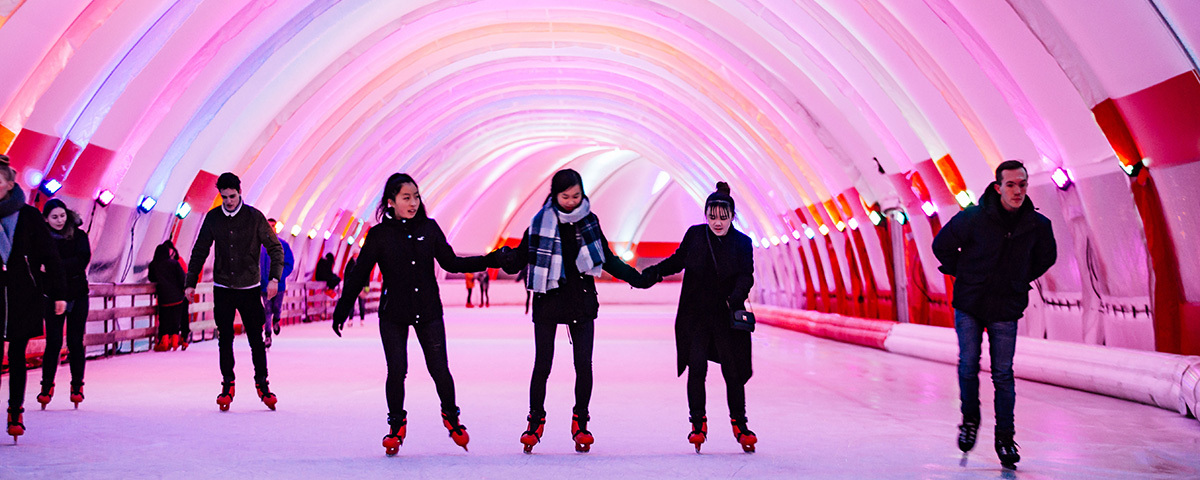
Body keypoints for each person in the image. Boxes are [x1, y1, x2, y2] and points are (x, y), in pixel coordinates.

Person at [332, 173, 504, 456]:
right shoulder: (379, 235)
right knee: (397, 370)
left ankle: (451, 416)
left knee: (439, 369)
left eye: (416, 196)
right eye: (406, 197)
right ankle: (396, 425)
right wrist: (343, 307)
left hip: (428, 311)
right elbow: (359, 273)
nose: (413, 202)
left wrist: (491, 259)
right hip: (393, 313)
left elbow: (452, 263)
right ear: (391, 202)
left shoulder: (430, 228)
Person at [494, 168, 651, 454]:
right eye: (565, 196)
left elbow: (607, 259)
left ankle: (580, 421)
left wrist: (637, 278)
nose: (571, 201)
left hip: (581, 301)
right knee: (542, 365)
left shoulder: (589, 222)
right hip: (548, 301)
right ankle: (535, 420)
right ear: (554, 195)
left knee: (583, 366)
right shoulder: (539, 224)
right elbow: (520, 257)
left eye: (576, 195)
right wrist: (502, 257)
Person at [932, 160, 1057, 470]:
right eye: (1011, 185)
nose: (1018, 190)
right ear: (998, 187)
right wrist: (963, 273)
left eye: (1023, 184)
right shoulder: (974, 218)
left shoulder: (1037, 225)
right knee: (968, 364)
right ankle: (970, 420)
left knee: (1003, 373)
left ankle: (1005, 439)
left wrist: (1019, 279)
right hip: (971, 303)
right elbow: (941, 245)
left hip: (1005, 305)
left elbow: (1048, 256)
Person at [640, 182, 757, 453]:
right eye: (712, 216)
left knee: (733, 371)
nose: (717, 222)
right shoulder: (695, 236)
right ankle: (698, 423)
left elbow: (746, 274)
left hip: (727, 318)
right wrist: (651, 274)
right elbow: (677, 260)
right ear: (706, 215)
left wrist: (736, 296)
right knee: (697, 368)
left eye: (723, 216)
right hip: (696, 317)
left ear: (732, 216)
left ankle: (740, 424)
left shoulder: (742, 243)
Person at [185, 172, 284, 412]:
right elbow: (200, 250)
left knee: (255, 339)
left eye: (232, 196)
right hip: (223, 288)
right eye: (224, 197)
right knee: (225, 338)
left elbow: (275, 248)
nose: (228, 201)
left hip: (249, 288)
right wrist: (190, 282)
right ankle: (227, 385)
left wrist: (274, 279)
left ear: (240, 192)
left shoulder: (254, 217)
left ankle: (262, 383)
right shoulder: (213, 218)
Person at [0, 155, 67, 442]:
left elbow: (51, 257)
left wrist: (59, 293)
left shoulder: (27, 216)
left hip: (21, 294)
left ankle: (15, 411)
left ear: (10, 184)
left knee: (17, 354)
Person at [36, 198, 91, 410]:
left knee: (76, 341)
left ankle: (77, 386)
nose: (59, 220)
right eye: (54, 217)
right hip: (52, 296)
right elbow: (36, 263)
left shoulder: (78, 236)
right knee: (54, 342)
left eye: (62, 216)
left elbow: (81, 261)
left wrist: (52, 267)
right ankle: (46, 387)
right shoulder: (42, 240)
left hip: (77, 295)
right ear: (46, 219)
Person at [148, 241, 189, 352]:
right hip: (177, 298)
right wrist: (183, 290)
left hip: (164, 298)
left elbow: (151, 278)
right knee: (175, 320)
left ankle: (164, 342)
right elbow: (182, 278)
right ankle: (174, 342)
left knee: (164, 320)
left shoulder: (153, 265)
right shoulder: (174, 264)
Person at [260, 218, 294, 347]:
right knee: (267, 310)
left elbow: (289, 264)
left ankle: (277, 320)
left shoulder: (283, 245)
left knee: (276, 307)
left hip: (278, 285)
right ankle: (267, 335)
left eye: (273, 226)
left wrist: (279, 276)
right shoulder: (260, 246)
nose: (271, 228)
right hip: (264, 285)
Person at [344, 252, 366, 325]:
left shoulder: (363, 263)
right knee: (351, 304)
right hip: (352, 287)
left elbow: (367, 276)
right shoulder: (349, 265)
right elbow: (346, 276)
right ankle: (350, 319)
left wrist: (366, 288)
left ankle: (362, 318)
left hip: (361, 287)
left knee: (361, 303)